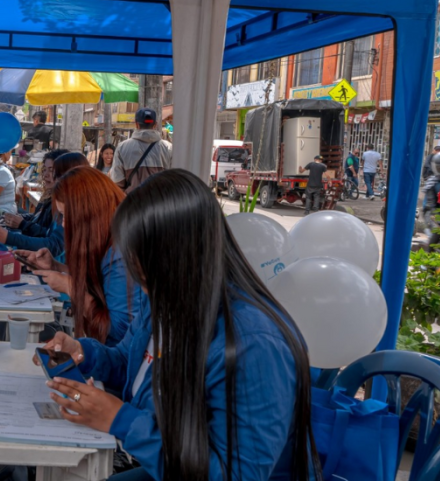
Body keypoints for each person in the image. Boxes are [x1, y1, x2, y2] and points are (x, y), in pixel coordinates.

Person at [37, 169, 318, 481]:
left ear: (177, 258)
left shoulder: (253, 344)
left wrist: (122, 420)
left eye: (141, 270)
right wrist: (82, 352)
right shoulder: (166, 299)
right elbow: (130, 364)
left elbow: (236, 474)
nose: (139, 285)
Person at [18, 167, 143, 347]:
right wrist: (56, 267)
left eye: (67, 214)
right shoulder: (110, 242)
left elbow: (119, 334)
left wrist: (70, 287)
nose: (63, 223)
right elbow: (100, 282)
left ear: (90, 211)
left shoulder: (120, 254)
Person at [0, 152, 88, 254]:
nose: (46, 175)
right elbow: (42, 222)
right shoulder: (55, 198)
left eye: (52, 171)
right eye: (45, 170)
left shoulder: (75, 205)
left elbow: (53, 243)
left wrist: (12, 234)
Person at [108, 108, 172, 191]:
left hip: (133, 202)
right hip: (161, 202)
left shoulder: (122, 148)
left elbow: (118, 182)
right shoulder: (168, 148)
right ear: (155, 125)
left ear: (136, 124)